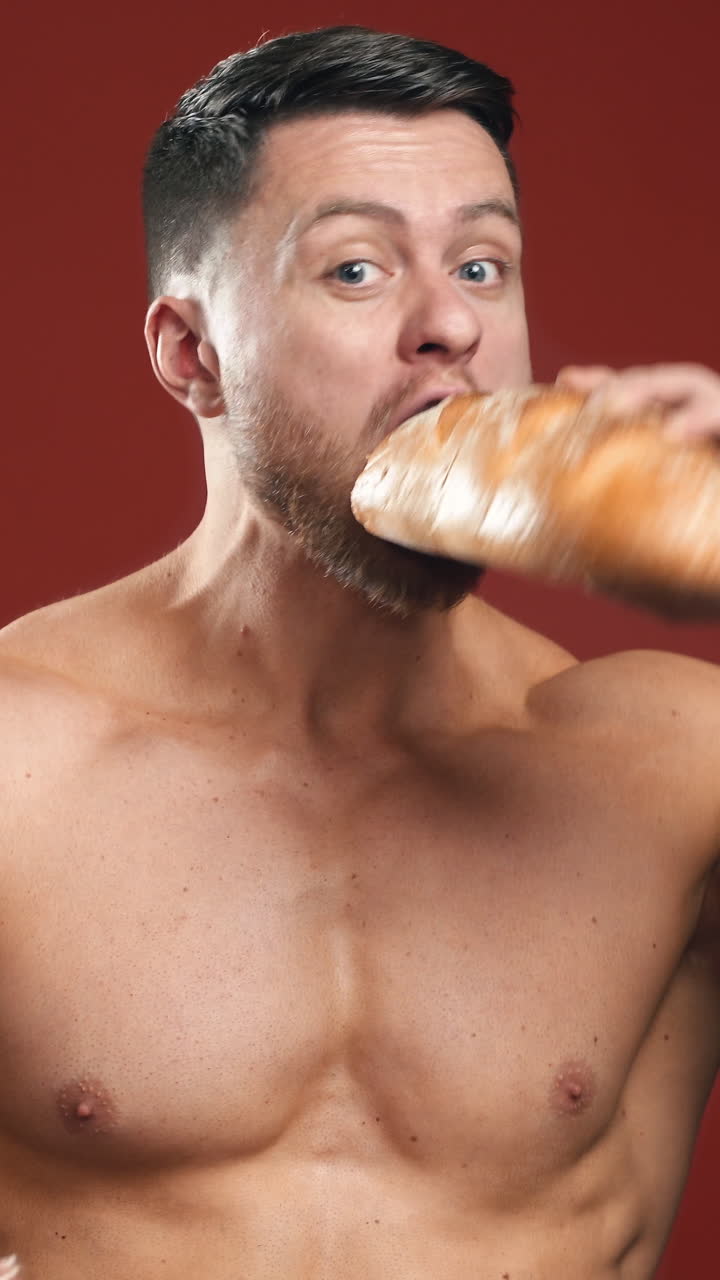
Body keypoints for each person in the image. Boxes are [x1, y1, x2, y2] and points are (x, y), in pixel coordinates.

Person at [1, 24, 719, 1280]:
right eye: (355, 270)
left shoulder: (672, 765)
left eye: (486, 265)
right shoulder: (19, 764)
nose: (450, 325)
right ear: (192, 355)